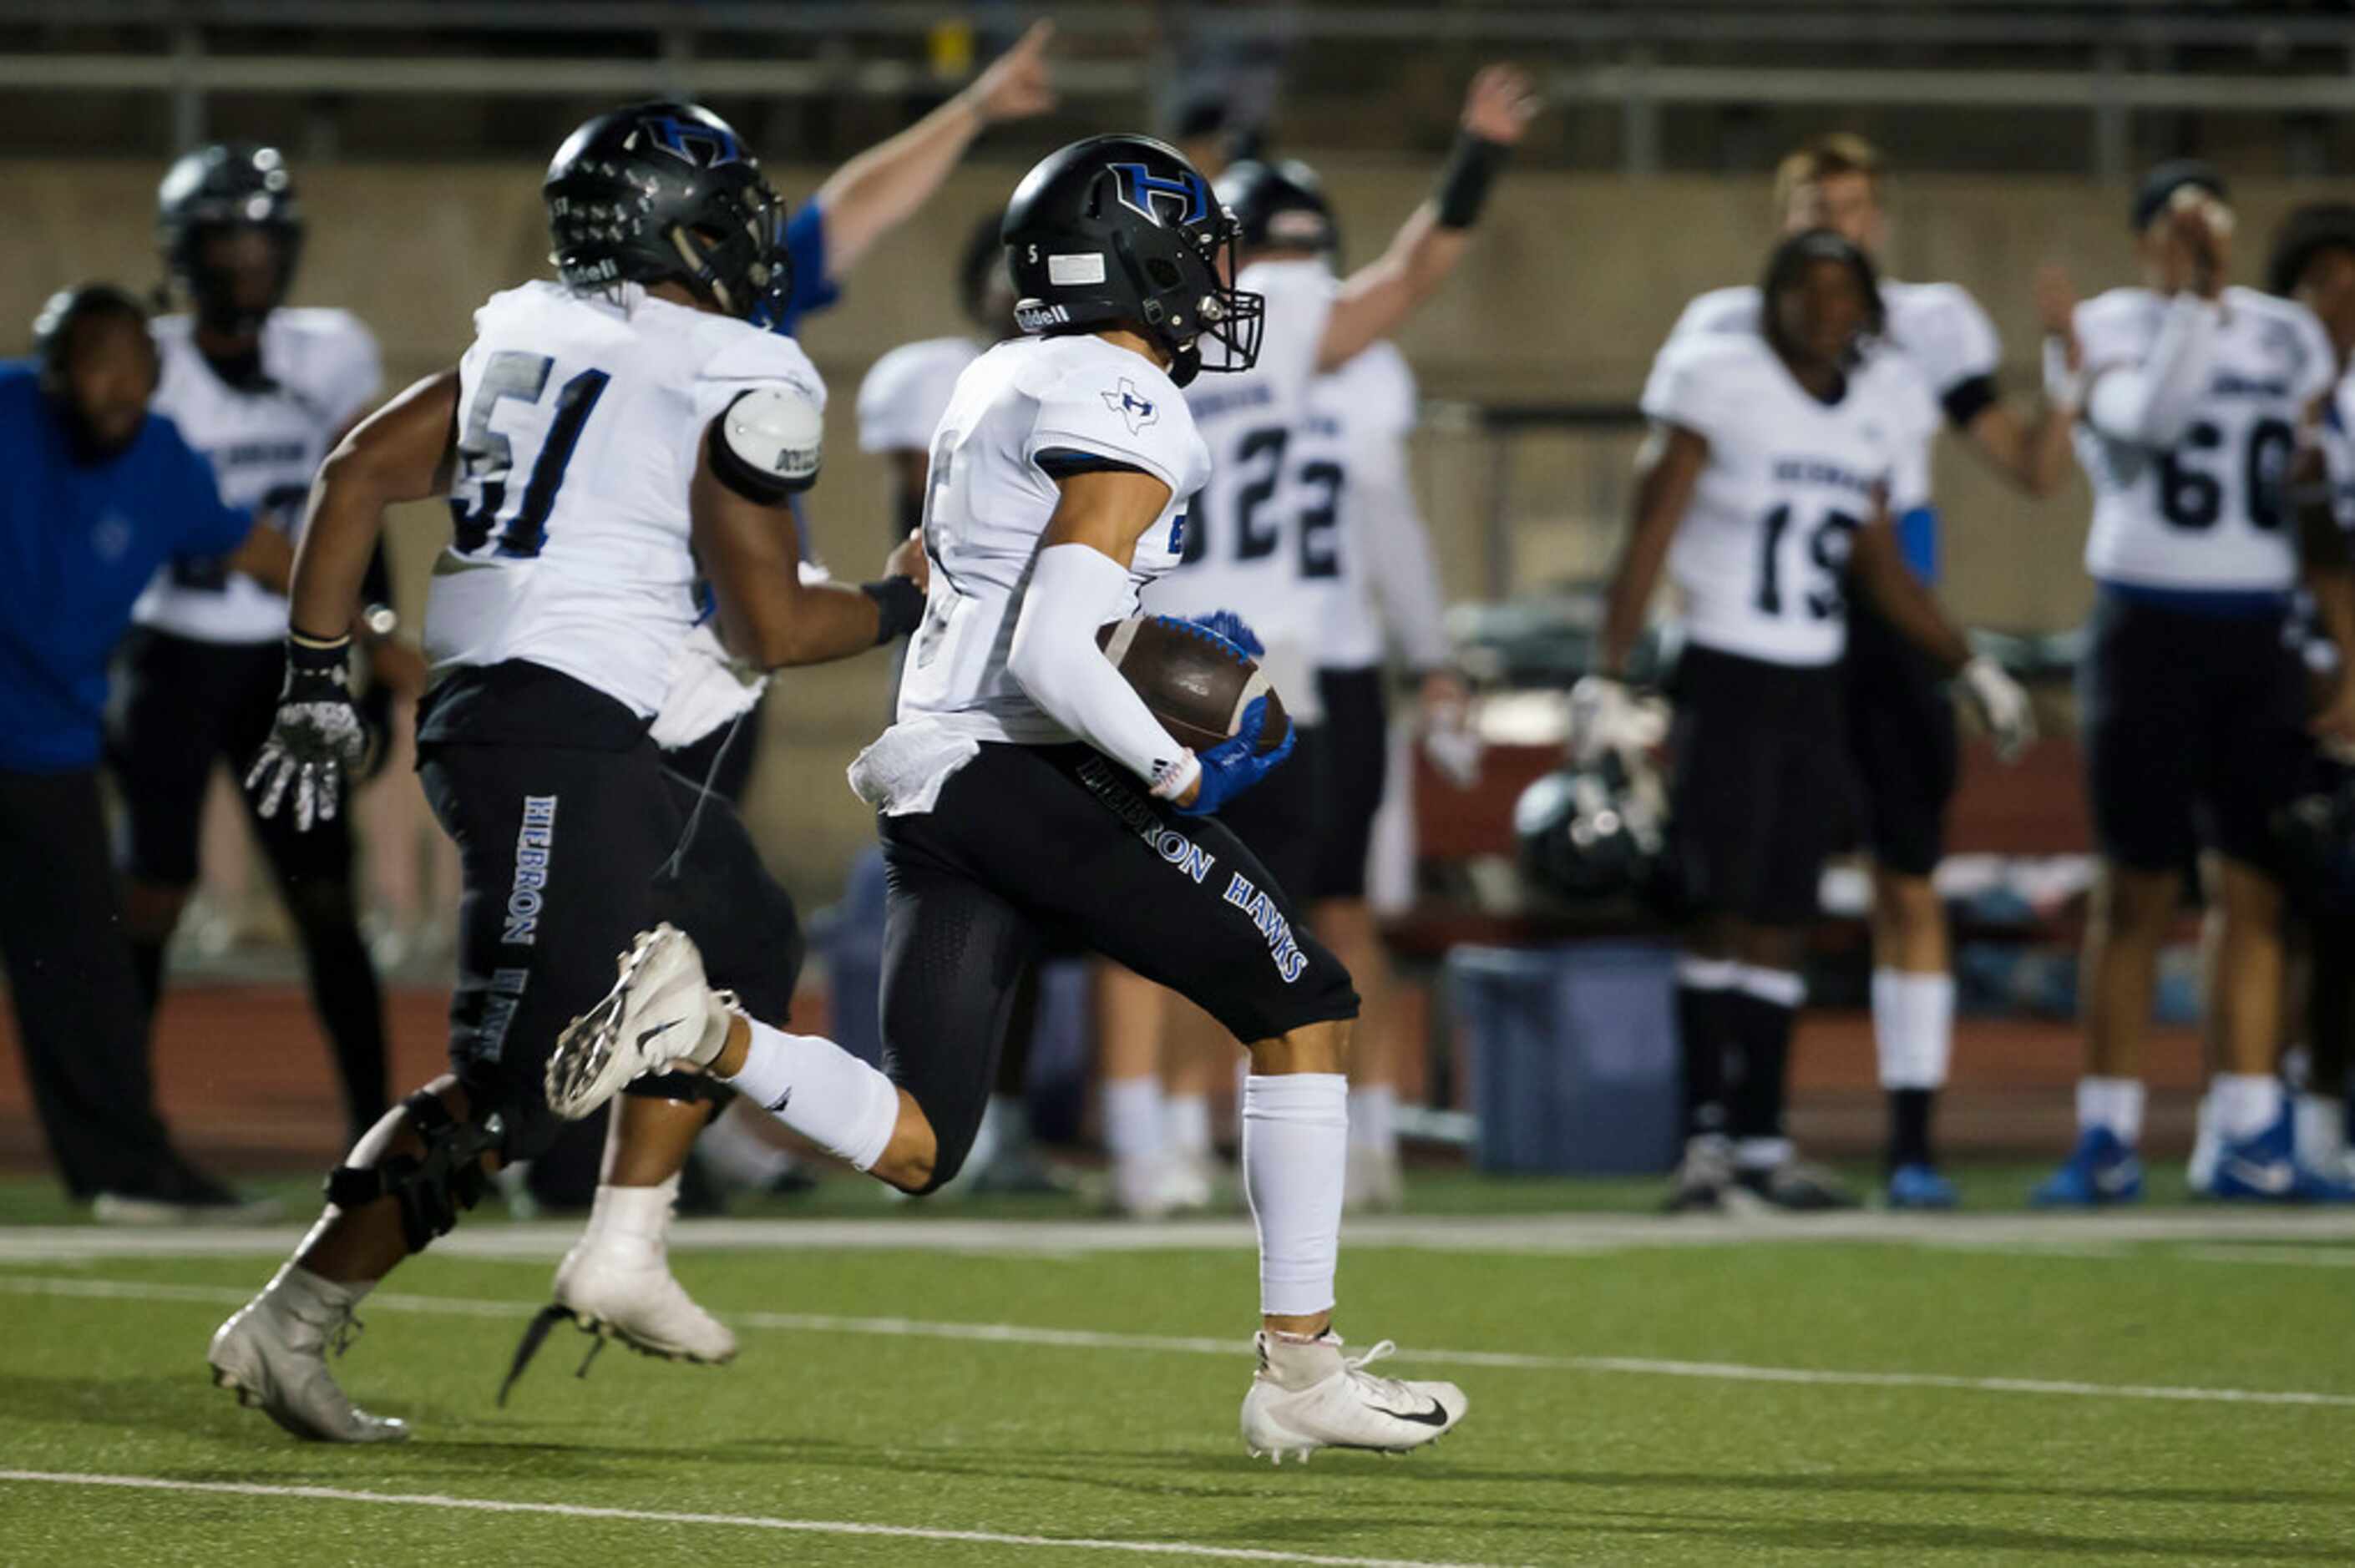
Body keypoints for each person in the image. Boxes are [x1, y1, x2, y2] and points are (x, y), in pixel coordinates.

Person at [542, 133, 1471, 1462]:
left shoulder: (998, 373)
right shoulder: (1131, 398)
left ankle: (708, 1029)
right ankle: (1302, 1364)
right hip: (1021, 761)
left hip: (933, 770)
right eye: (1199, 251)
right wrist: (1179, 766)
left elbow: (976, 583)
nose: (1217, 278)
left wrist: (1157, 672)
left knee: (923, 1142)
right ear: (1139, 263)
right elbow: (1050, 644)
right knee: (1306, 999)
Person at [205, 100, 926, 1443]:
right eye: (724, 212)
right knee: (523, 1079)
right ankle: (289, 1320)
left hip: (563, 723)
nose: (747, 239)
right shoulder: (735, 363)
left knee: (743, 953)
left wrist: (317, 672)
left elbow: (357, 470)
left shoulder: (524, 329)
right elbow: (772, 626)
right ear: (671, 226)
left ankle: (625, 1243)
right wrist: (901, 601)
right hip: (552, 730)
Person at [1117, 70, 1537, 1219]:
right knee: (1282, 905)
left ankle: (1165, 1139)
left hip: (1194, 649)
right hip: (1279, 649)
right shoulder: (1304, 325)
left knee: (1198, 897)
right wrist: (1475, 160)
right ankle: (1313, 1138)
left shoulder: (1187, 325)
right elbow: (1415, 275)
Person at [1578, 230, 2033, 1215]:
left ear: (1868, 310)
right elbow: (1647, 534)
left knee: (1786, 912)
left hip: (1812, 680)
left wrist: (1973, 665)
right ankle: (1702, 1137)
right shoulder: (1720, 378)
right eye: (1806, 288)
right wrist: (1608, 674)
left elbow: (1881, 567)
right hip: (1726, 669)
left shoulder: (1870, 409)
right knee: (1719, 904)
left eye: (1843, 291)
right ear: (1772, 299)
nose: (1825, 307)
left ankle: (1761, 1139)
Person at [1663, 134, 2074, 1207]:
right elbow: (1672, 498)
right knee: (1743, 882)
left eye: (1851, 206)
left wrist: (2071, 374)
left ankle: (1911, 1144)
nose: (1835, 225)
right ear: (1784, 219)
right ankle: (1732, 1132)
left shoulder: (1928, 324)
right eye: (1814, 207)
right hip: (1762, 625)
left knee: (1903, 875)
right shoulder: (1724, 329)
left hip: (1888, 621)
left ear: (1879, 219)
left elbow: (2027, 469)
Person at [2032, 164, 2355, 1206]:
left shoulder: (2284, 331)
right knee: (2135, 889)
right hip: (2147, 618)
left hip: (2257, 628)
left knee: (2256, 888)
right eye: (2179, 227)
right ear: (2146, 240)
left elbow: (2316, 480)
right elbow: (2150, 425)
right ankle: (2108, 1135)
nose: (2198, 241)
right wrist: (2200, 309)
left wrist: (2344, 647)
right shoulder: (2110, 322)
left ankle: (2248, 1132)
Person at [108, 142, 407, 1148]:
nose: (247, 258)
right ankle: (119, 1127)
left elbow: (365, 498)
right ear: (186, 249)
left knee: (327, 899)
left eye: (261, 237)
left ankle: (376, 1131)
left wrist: (373, 634)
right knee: (153, 886)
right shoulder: (143, 363)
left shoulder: (329, 352)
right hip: (172, 649)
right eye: (226, 238)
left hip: (292, 654)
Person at [0, 285, 288, 1221]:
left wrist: (371, 629)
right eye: (94, 363)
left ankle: (128, 1170)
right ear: (54, 376)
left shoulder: (165, 462)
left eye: (135, 364)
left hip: (52, 754)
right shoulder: (6, 413)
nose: (117, 384)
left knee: (86, 975)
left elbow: (262, 549)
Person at [2268, 202, 2355, 1185]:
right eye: (2320, 280)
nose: (2341, 299)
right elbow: (2321, 545)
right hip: (2295, 667)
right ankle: (2297, 1109)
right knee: (2316, 902)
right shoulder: (2278, 391)